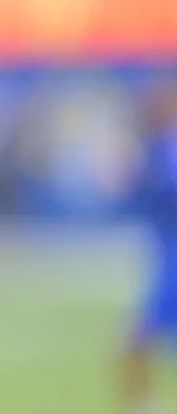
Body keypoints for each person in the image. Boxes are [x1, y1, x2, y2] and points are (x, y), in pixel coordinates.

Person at [121, 87, 177, 414]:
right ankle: (142, 403)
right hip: (167, 252)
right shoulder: (157, 150)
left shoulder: (164, 150)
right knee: (140, 337)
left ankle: (142, 403)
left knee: (140, 337)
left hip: (170, 254)